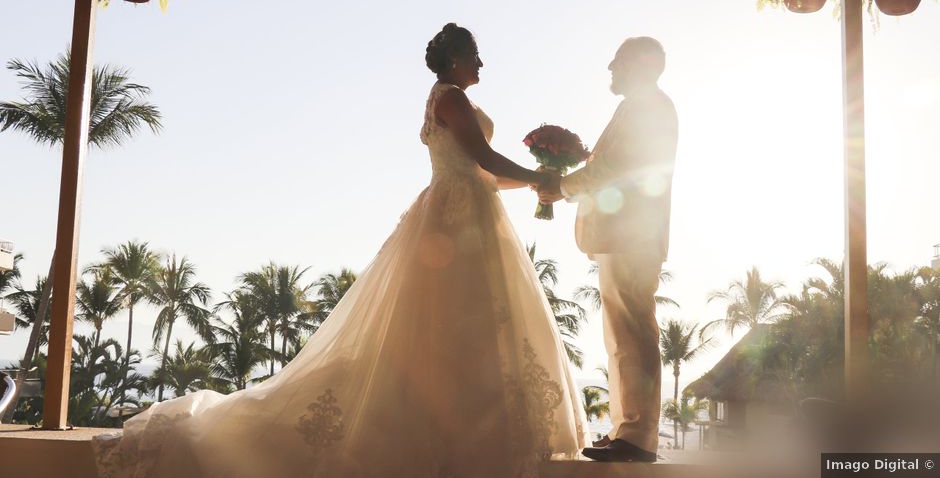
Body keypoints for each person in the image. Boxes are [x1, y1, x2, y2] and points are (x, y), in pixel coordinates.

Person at [93, 23, 588, 478]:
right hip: (456, 221)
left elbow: (484, 173)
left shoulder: (451, 96)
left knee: (475, 322)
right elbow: (481, 157)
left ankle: (470, 432)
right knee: (450, 318)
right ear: (456, 59)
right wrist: (540, 176)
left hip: (470, 211)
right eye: (475, 56)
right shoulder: (452, 97)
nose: (481, 65)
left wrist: (535, 185)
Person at [538, 36, 678, 463]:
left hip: (631, 235)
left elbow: (617, 168)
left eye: (617, 60)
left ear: (638, 64)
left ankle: (637, 437)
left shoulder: (649, 106)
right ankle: (627, 430)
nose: (610, 67)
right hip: (625, 236)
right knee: (622, 332)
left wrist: (561, 186)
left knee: (632, 330)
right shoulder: (638, 106)